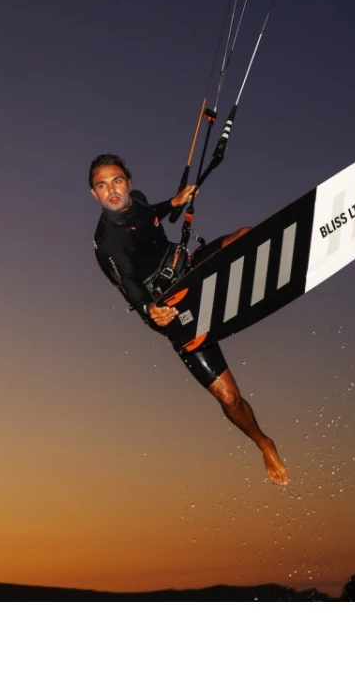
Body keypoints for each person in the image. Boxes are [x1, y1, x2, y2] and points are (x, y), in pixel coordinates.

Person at [89, 153, 289, 486]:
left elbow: (150, 214)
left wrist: (174, 202)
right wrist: (150, 311)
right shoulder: (106, 244)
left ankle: (292, 249)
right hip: (174, 312)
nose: (112, 190)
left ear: (129, 183)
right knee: (229, 398)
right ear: (94, 193)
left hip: (190, 269)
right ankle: (263, 442)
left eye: (117, 181)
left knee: (246, 235)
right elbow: (129, 284)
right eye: (102, 185)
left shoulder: (138, 200)